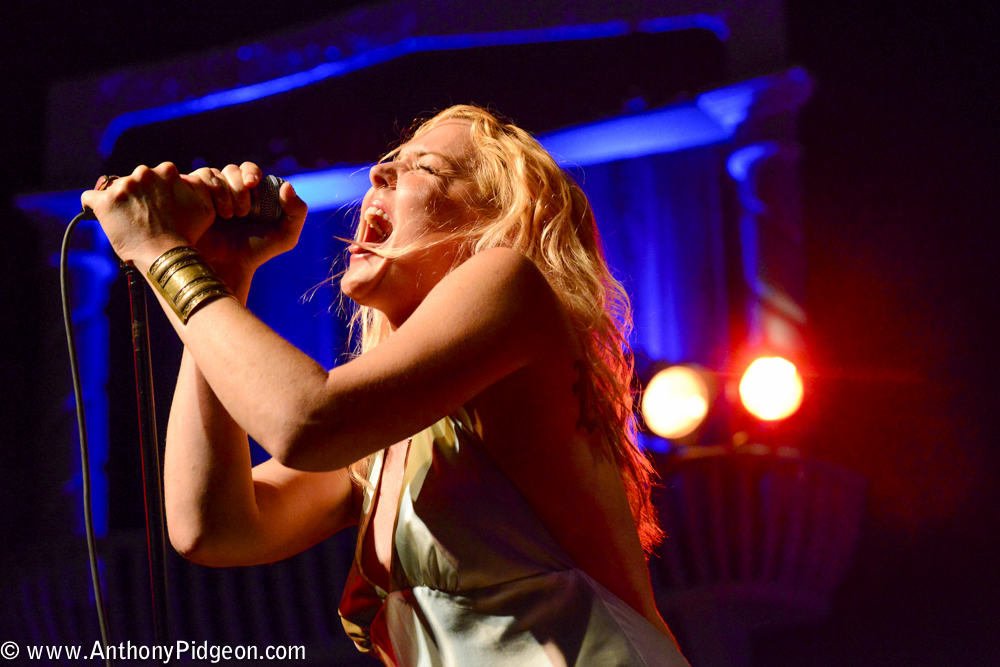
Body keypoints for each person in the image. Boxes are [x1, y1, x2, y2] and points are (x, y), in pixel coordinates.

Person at [82, 105, 690, 666]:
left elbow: (303, 421)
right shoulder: (385, 444)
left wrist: (162, 250)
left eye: (424, 167)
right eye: (388, 164)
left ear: (497, 220)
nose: (378, 172)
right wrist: (218, 274)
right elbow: (211, 526)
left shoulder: (513, 281)